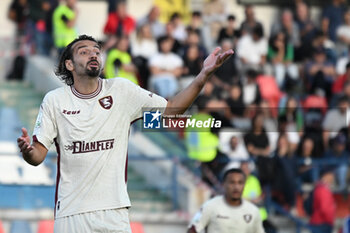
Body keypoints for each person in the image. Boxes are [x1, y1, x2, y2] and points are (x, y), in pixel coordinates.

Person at [17, 34, 233, 233]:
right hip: (72, 213)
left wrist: (203, 76)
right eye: (84, 51)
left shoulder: (122, 91)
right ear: (69, 64)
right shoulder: (55, 100)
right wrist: (28, 151)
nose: (93, 53)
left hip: (114, 212)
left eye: (96, 50)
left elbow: (172, 111)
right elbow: (38, 155)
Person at [187, 168, 265, 233]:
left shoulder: (253, 211)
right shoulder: (209, 206)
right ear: (224, 184)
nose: (236, 187)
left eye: (240, 183)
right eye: (232, 183)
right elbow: (193, 228)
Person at [309, 168, 336, 233]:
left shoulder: (320, 187)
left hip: (319, 222)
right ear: (326, 176)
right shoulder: (323, 189)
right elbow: (325, 209)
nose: (333, 177)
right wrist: (330, 220)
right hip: (322, 224)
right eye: (331, 175)